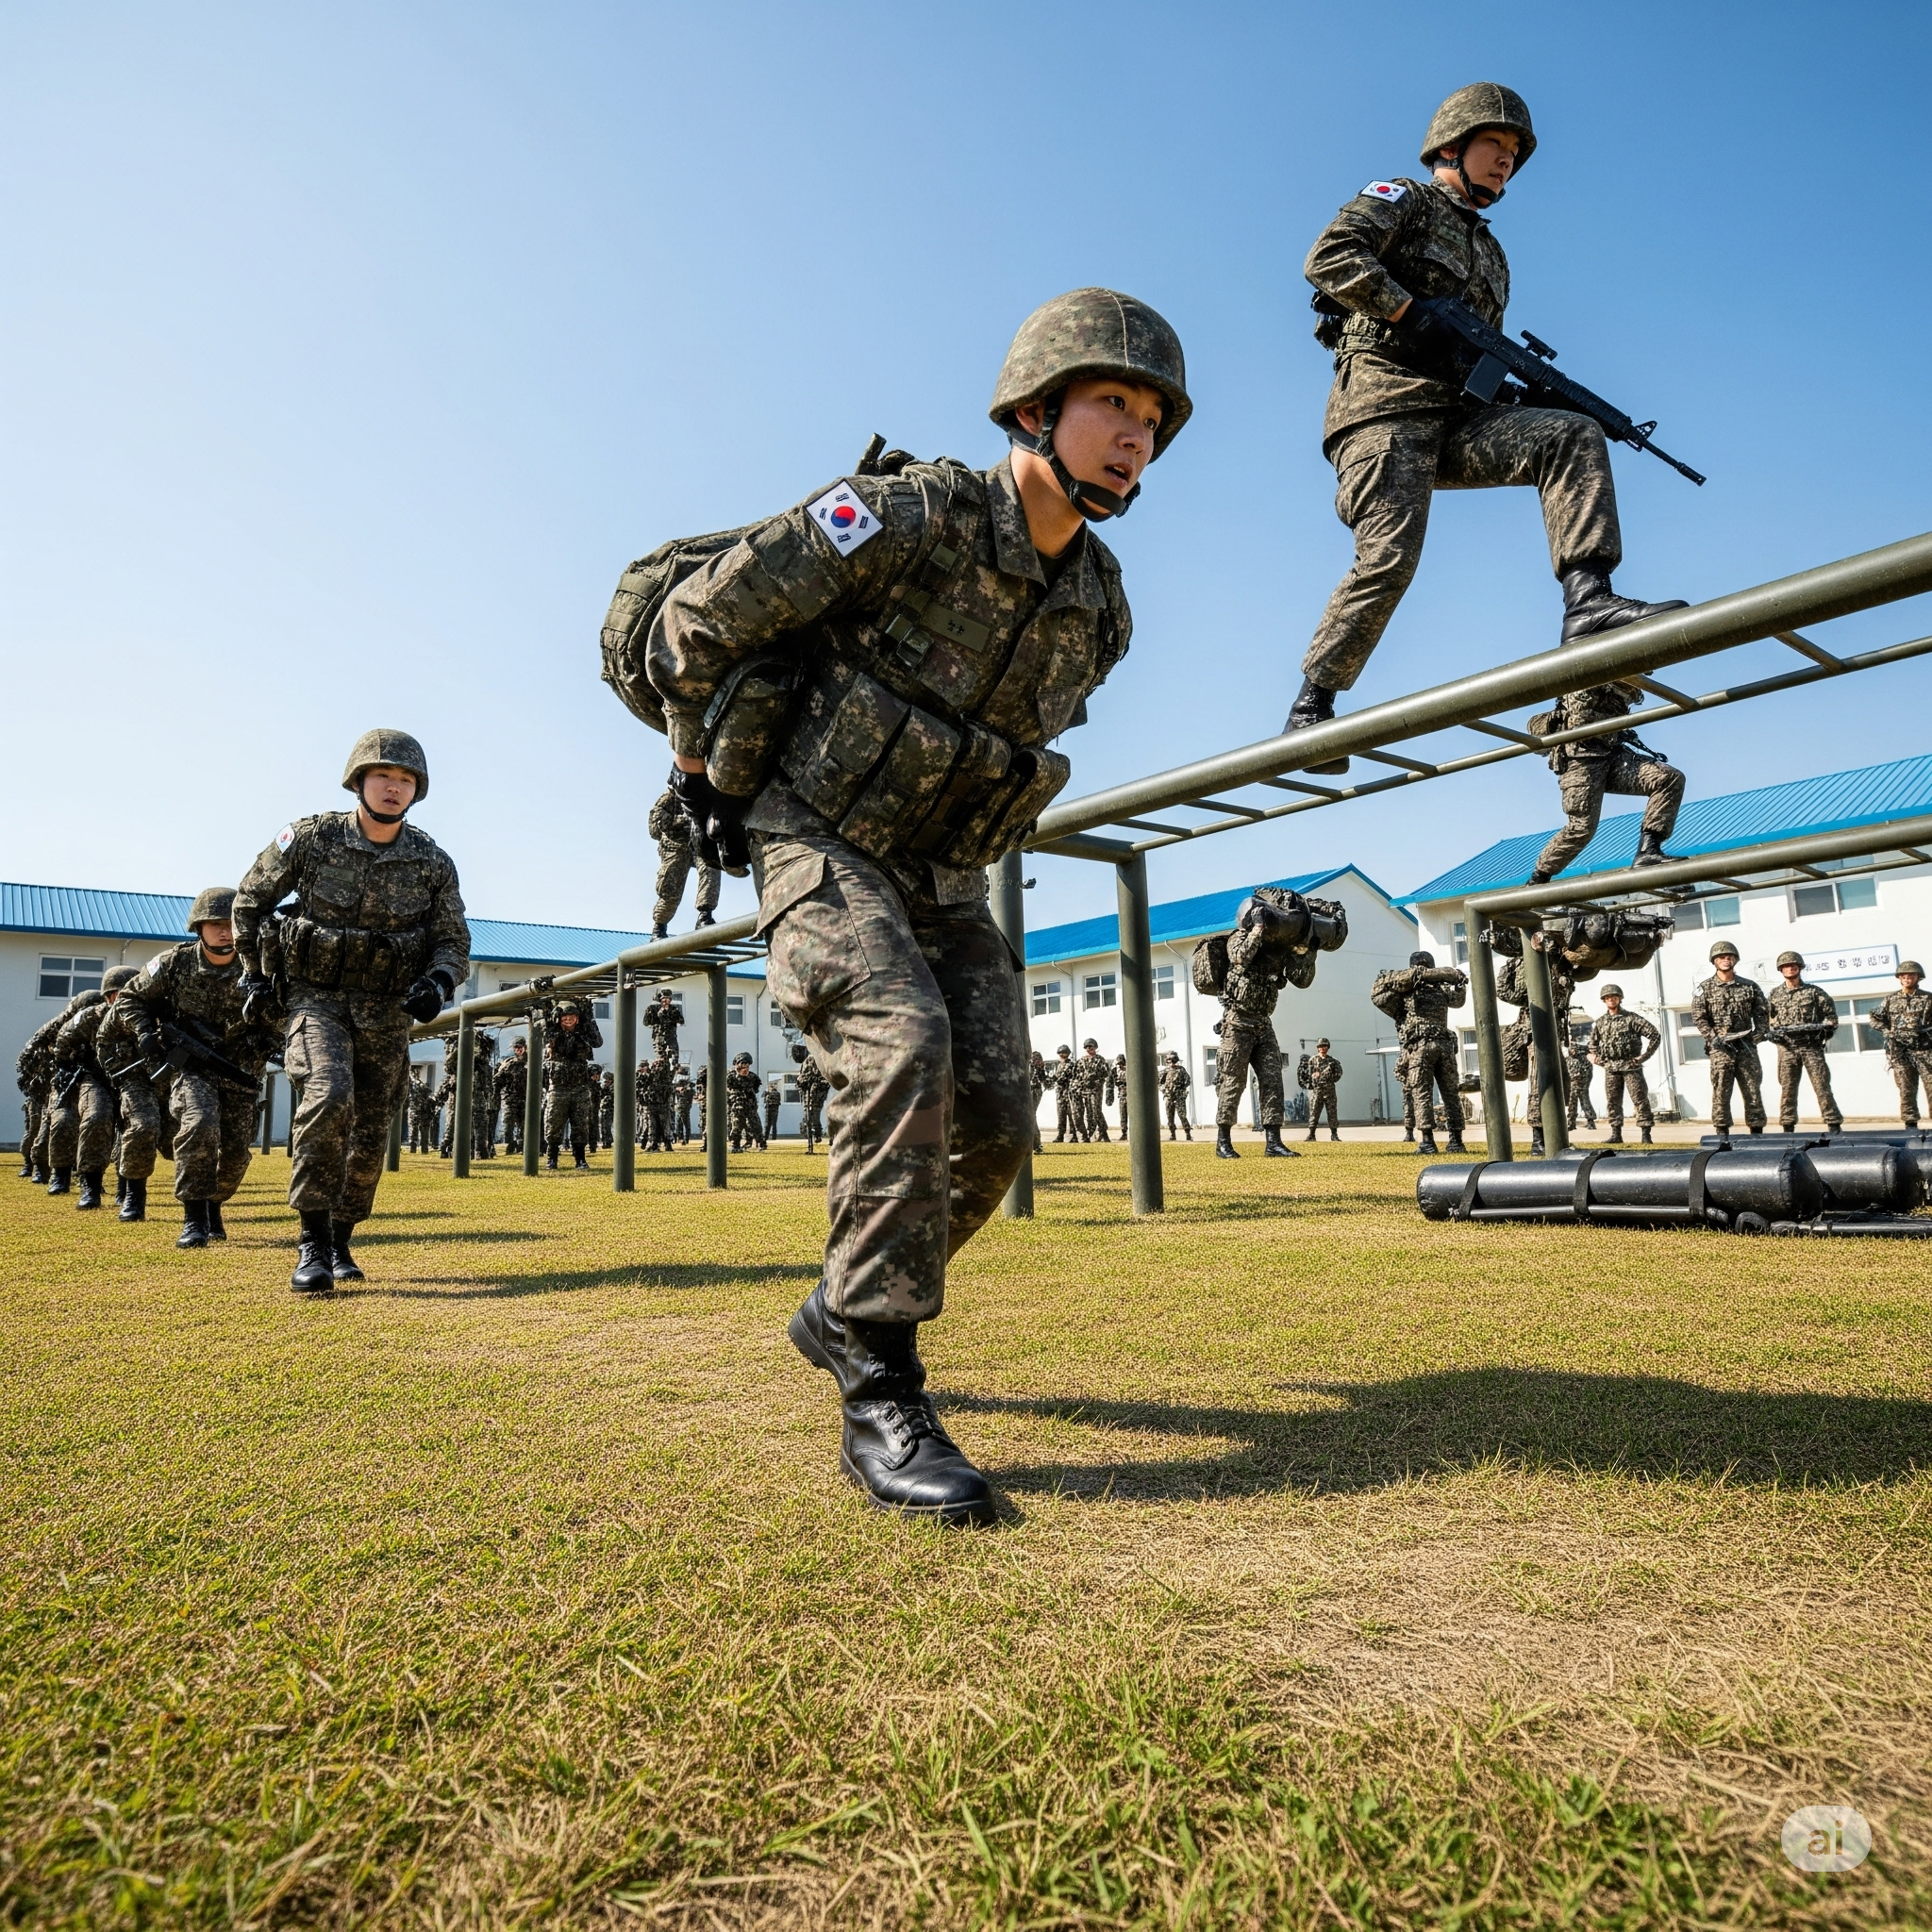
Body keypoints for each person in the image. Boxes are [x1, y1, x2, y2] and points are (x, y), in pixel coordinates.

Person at [646, 287, 1188, 1523]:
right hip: (816, 837)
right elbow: (700, 619)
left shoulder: (1100, 609)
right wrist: (698, 773)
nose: (1135, 436)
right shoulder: (911, 516)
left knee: (997, 1117)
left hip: (942, 874)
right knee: (903, 1041)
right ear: (1037, 408)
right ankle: (882, 1383)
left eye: (1153, 420)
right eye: (1115, 404)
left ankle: (841, 1310)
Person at [1289, 83, 1683, 768]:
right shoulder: (1401, 199)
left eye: (1513, 154)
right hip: (1382, 411)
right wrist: (1409, 312)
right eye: (1493, 147)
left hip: (1456, 419)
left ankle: (1588, 603)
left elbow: (1471, 355)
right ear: (1452, 145)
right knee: (1388, 559)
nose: (1505, 162)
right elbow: (1329, 258)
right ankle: (1310, 708)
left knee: (1569, 432)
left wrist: (1523, 394)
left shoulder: (1494, 258)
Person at [233, 731, 470, 1291]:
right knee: (327, 1094)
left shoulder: (432, 861)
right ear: (359, 780)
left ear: (417, 790)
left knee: (370, 1129)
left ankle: (341, 1236)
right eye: (383, 776)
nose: (394, 787)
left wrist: (439, 980)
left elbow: (453, 939)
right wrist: (255, 972)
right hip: (316, 998)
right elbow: (249, 901)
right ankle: (311, 1241)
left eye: (406, 779)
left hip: (387, 1009)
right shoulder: (312, 840)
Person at [120, 890, 277, 1246]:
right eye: (217, 924)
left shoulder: (261, 965)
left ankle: (213, 1206)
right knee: (199, 1123)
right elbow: (130, 997)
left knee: (236, 1153)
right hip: (193, 1068)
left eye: (233, 924)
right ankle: (193, 1218)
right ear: (199, 927)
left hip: (242, 1070)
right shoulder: (175, 963)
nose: (226, 932)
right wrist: (145, 1032)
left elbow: (283, 1010)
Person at [1526, 680, 1684, 883]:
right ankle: (1539, 878)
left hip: (1612, 756)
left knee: (1668, 779)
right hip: (1581, 760)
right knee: (1581, 827)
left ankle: (1648, 851)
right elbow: (1579, 721)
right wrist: (1613, 726)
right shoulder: (1587, 678)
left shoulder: (1621, 682)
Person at [1212, 899, 1308, 1161]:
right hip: (1237, 1022)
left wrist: (1307, 951)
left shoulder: (1276, 948)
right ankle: (1223, 1142)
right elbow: (1241, 957)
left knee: (1273, 1081)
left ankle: (1274, 1142)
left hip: (1263, 1024)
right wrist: (1257, 928)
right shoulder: (1238, 938)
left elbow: (1302, 980)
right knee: (1233, 1082)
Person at [47, 966, 138, 1208]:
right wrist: (67, 1067)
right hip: (96, 1078)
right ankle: (90, 1186)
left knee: (134, 1128)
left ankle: (126, 1188)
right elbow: (63, 1040)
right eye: (120, 993)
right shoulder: (90, 1017)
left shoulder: (147, 1016)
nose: (126, 997)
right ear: (109, 996)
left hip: (134, 1080)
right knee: (95, 1118)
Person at [94, 968, 174, 1219]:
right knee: (143, 1126)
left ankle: (202, 1205)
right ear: (107, 998)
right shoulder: (104, 1020)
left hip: (170, 1080)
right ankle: (133, 1196)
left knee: (186, 1134)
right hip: (135, 1081)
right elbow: (102, 1047)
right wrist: (120, 1074)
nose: (121, 999)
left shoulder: (162, 1008)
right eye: (115, 995)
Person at [1372, 951, 1467, 1155]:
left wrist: (1412, 976)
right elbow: (1458, 999)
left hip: (1420, 1046)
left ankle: (1427, 1142)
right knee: (1451, 1094)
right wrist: (1457, 982)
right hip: (1444, 1045)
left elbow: (1377, 994)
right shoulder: (1441, 988)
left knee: (1421, 1092)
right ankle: (1456, 1141)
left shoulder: (1405, 993)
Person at [1690, 940, 1768, 1137]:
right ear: (1714, 961)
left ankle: (1756, 1131)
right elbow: (1699, 1017)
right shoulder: (1704, 988)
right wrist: (1712, 1037)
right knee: (1721, 1091)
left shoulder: (1749, 986)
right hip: (1720, 1047)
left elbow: (1761, 1012)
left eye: (1729, 957)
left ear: (1735, 960)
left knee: (1752, 1089)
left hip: (1745, 1045)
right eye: (1721, 957)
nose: (1726, 960)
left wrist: (1758, 1034)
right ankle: (1722, 1131)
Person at [1768, 951, 1842, 1134]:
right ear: (1781, 970)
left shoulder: (1814, 992)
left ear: (1800, 968)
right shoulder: (1774, 995)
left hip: (1811, 1047)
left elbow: (1831, 1018)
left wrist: (1824, 1031)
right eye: (1786, 966)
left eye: (1794, 965)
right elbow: (1766, 1021)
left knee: (1822, 1085)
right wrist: (1773, 1035)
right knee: (1787, 1089)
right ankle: (1788, 1125)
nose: (1790, 968)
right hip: (1787, 1048)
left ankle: (1833, 1123)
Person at [1589, 983, 1660, 1144]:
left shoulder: (1632, 1019)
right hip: (1611, 1068)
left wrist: (1643, 1057)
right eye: (1607, 998)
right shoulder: (1600, 1022)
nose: (1611, 1000)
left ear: (1619, 999)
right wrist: (1599, 1060)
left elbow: (1655, 1035)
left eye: (1614, 997)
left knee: (1640, 1099)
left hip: (1631, 1066)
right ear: (1604, 1001)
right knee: (1613, 1101)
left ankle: (1646, 1135)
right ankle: (1616, 1134)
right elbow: (1592, 1044)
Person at [647, 786, 721, 940]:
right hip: (674, 845)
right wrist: (676, 822)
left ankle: (705, 916)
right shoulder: (670, 797)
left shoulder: (707, 794)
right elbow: (654, 829)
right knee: (671, 888)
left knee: (710, 867)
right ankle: (659, 926)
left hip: (698, 840)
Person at [1871, 960, 1932, 1128]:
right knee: (1906, 1088)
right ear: (1899, 978)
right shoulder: (1891, 999)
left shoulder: (1928, 998)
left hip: (1925, 1050)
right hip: (1901, 1051)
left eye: (1911, 976)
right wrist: (1885, 1031)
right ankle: (1910, 1124)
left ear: (1918, 977)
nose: (1907, 978)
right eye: (1903, 976)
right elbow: (1875, 1018)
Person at [541, 999, 600, 1169]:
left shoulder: (583, 1033)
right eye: (564, 1017)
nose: (568, 1020)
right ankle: (551, 1158)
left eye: (572, 1017)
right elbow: (544, 1030)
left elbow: (597, 1042)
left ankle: (580, 1159)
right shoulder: (552, 1032)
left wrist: (589, 1019)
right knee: (553, 1124)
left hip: (580, 1087)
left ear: (577, 1018)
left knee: (580, 1124)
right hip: (558, 1087)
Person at [1299, 1039, 1343, 1141]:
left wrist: (1328, 1076)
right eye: (1320, 1047)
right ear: (1317, 1048)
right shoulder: (1313, 1060)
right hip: (1317, 1090)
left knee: (1332, 1112)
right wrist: (1313, 1077)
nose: (1322, 1048)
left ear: (1328, 1048)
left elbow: (1338, 1075)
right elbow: (1307, 1074)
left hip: (1329, 1090)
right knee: (1314, 1112)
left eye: (1324, 1046)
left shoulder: (1333, 1061)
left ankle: (1334, 1134)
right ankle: (1311, 1134)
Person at [495, 1038, 528, 1154]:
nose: (519, 1050)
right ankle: (510, 1144)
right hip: (510, 1098)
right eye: (516, 1047)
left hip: (526, 1098)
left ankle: (521, 1146)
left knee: (524, 1124)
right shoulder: (509, 1063)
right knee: (507, 1123)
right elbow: (498, 1079)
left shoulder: (531, 1062)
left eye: (520, 1047)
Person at [1564, 1021, 1598, 1132]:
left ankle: (1571, 1121)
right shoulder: (1580, 1039)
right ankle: (1590, 1120)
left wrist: (1571, 1048)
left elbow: (1574, 1052)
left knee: (1573, 1096)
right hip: (1577, 1070)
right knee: (1583, 1094)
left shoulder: (1583, 1040)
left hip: (1579, 1071)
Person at [796, 1046, 829, 1153]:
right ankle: (814, 1138)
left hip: (815, 1093)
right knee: (810, 1115)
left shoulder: (816, 1059)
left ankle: (815, 1136)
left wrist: (808, 1081)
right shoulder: (810, 1059)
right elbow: (802, 1077)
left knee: (812, 1115)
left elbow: (821, 1077)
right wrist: (802, 1082)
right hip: (810, 1092)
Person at [643, 990, 685, 1064]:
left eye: (668, 999)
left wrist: (671, 1015)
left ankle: (672, 1070)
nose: (666, 1001)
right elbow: (646, 1022)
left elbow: (681, 1021)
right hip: (659, 1037)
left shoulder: (673, 1009)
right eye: (664, 999)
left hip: (671, 1037)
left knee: (674, 1058)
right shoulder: (653, 1008)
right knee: (661, 1061)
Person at [1159, 1051, 1192, 1141]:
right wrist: (1164, 1090)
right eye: (1169, 1060)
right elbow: (1159, 1082)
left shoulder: (1181, 1070)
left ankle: (1188, 1134)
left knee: (1182, 1116)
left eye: (1172, 1059)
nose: (1171, 1062)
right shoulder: (1165, 1071)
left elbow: (1188, 1080)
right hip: (1169, 1097)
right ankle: (1172, 1134)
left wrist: (1181, 1089)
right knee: (1170, 1116)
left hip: (1179, 1097)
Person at [1047, 1044, 1077, 1142]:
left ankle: (1074, 1136)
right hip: (1060, 1094)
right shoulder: (1059, 1065)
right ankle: (1060, 1135)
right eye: (1060, 1053)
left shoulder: (1070, 1065)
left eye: (1064, 1053)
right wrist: (1049, 1081)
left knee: (1071, 1115)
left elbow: (1063, 1077)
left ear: (1068, 1054)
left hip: (1068, 1094)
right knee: (1061, 1115)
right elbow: (1055, 1076)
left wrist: (1054, 1081)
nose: (1062, 1055)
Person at [408, 1064, 439, 1153]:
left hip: (415, 1109)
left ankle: (415, 1148)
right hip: (419, 1109)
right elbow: (428, 1091)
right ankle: (423, 1149)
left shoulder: (411, 1083)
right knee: (422, 1129)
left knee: (415, 1129)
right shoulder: (416, 1083)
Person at [1025, 1048, 1045, 1154]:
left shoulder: (1035, 1061)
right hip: (1026, 1090)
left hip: (1034, 1090)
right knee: (1029, 1116)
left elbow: (1043, 1078)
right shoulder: (1025, 1062)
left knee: (1031, 1115)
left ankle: (1037, 1145)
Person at [674, 1062, 696, 1143]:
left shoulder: (689, 1087)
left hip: (684, 1106)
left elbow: (691, 1090)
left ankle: (685, 1138)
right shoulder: (678, 1084)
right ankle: (680, 1138)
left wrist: (685, 1089)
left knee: (685, 1122)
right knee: (680, 1122)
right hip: (680, 1106)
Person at [598, 1066, 616, 1151]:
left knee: (606, 1126)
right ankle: (607, 1141)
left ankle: (607, 1142)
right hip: (606, 1108)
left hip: (609, 1108)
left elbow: (609, 1098)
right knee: (604, 1127)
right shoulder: (607, 1087)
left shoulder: (613, 1088)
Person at [762, 1074, 783, 1145]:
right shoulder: (778, 1093)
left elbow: (766, 1100)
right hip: (776, 1110)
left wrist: (766, 1094)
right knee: (774, 1124)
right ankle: (774, 1136)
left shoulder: (769, 1094)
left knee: (767, 1124)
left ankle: (765, 1136)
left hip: (769, 1110)